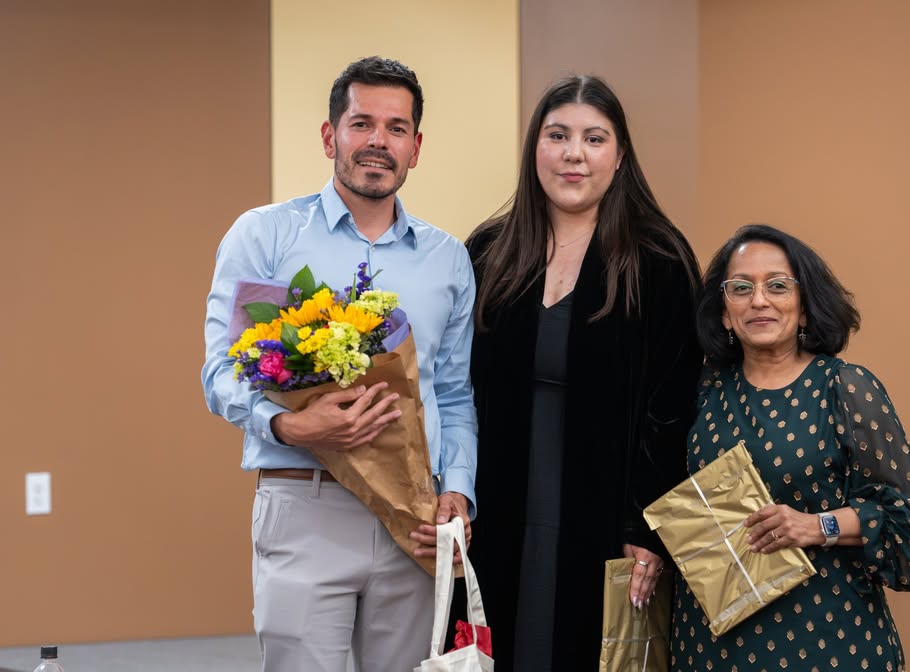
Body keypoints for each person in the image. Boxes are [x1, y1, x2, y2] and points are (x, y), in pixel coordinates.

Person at [201, 56, 478, 672]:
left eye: (397, 128)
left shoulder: (448, 259)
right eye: (362, 123)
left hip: (413, 517)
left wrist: (459, 491)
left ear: (415, 148)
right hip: (306, 505)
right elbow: (222, 374)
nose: (379, 140)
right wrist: (289, 425)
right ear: (331, 136)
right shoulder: (266, 237)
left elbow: (455, 393)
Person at [465, 74, 703, 668]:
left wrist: (648, 527)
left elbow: (674, 410)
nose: (574, 153)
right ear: (534, 149)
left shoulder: (658, 261)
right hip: (496, 515)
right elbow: (455, 392)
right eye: (558, 135)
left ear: (619, 157)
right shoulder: (488, 253)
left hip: (609, 522)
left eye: (594, 139)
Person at [670, 223, 910, 671]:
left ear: (806, 308)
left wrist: (817, 526)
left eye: (777, 285)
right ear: (724, 313)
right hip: (711, 646)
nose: (759, 300)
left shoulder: (845, 387)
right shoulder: (701, 391)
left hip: (827, 640)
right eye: (741, 288)